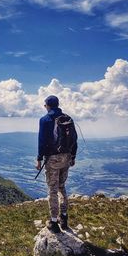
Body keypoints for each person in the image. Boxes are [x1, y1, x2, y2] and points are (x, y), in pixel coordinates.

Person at [36, 95, 77, 233]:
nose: (45, 107)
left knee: (52, 189)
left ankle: (53, 222)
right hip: (66, 157)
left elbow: (42, 141)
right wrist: (73, 156)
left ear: (48, 105)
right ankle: (64, 218)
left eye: (45, 105)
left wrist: (39, 158)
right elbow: (74, 139)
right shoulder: (68, 118)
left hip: (53, 159)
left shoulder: (45, 120)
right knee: (62, 187)